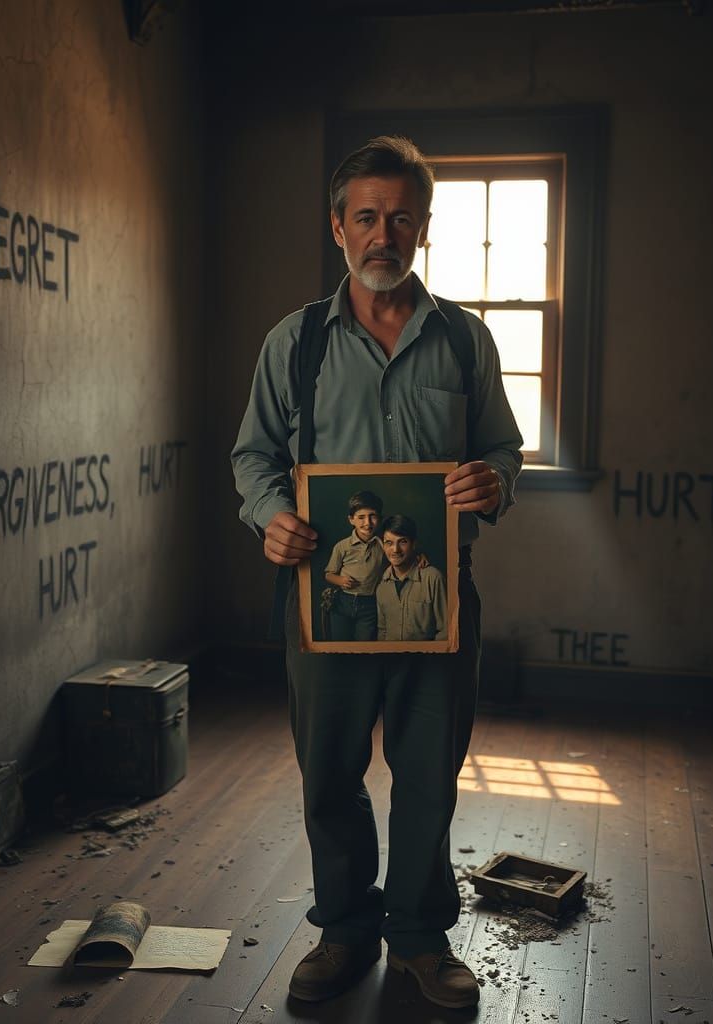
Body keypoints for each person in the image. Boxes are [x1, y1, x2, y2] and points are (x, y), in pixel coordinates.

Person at [231, 134, 523, 1010]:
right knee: (329, 771)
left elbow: (504, 447)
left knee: (429, 768)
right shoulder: (296, 344)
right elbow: (253, 456)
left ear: (423, 228)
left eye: (400, 217)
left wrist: (493, 480)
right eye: (366, 217)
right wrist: (270, 516)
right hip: (326, 602)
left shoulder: (465, 343)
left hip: (434, 599)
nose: (382, 234)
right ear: (338, 227)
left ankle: (423, 939)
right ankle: (346, 931)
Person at [323, 490, 384, 641]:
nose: (367, 523)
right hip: (343, 602)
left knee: (364, 645)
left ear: (380, 518)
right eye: (361, 517)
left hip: (369, 603)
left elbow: (401, 554)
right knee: (340, 642)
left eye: (373, 516)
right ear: (351, 519)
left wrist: (419, 556)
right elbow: (328, 574)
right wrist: (340, 580)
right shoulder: (342, 546)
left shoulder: (383, 544)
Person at [376, 514, 447, 642]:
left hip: (425, 659)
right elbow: (382, 631)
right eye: (389, 543)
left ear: (414, 544)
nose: (395, 549)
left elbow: (445, 630)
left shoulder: (433, 578)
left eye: (402, 542)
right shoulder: (382, 586)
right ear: (383, 545)